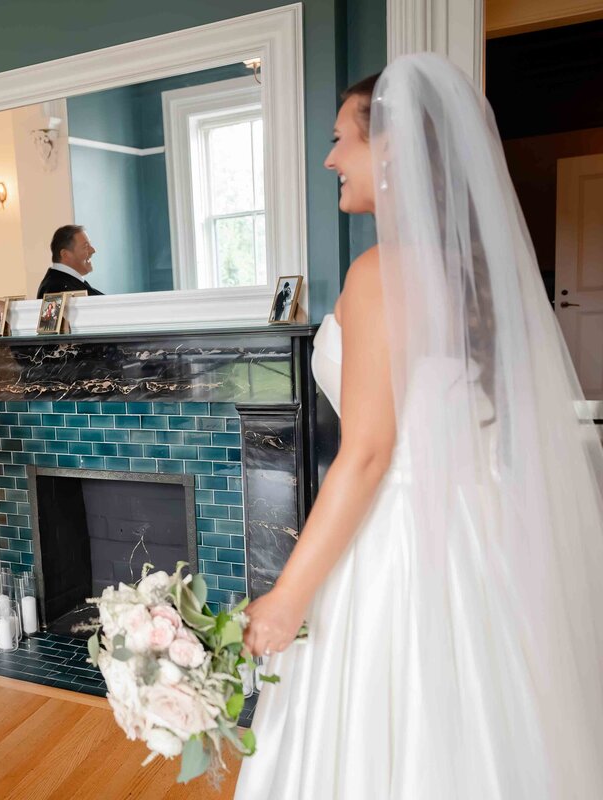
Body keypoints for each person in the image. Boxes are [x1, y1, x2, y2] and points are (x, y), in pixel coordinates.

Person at [236, 55, 603, 798]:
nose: (333, 157)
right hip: (482, 537)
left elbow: (369, 453)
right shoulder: (475, 272)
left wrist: (286, 599)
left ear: (393, 146)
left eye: (344, 139)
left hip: (398, 542)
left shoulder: (382, 272)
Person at [37, 225, 104, 298]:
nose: (93, 250)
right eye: (85, 247)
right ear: (65, 254)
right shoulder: (56, 289)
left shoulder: (67, 283)